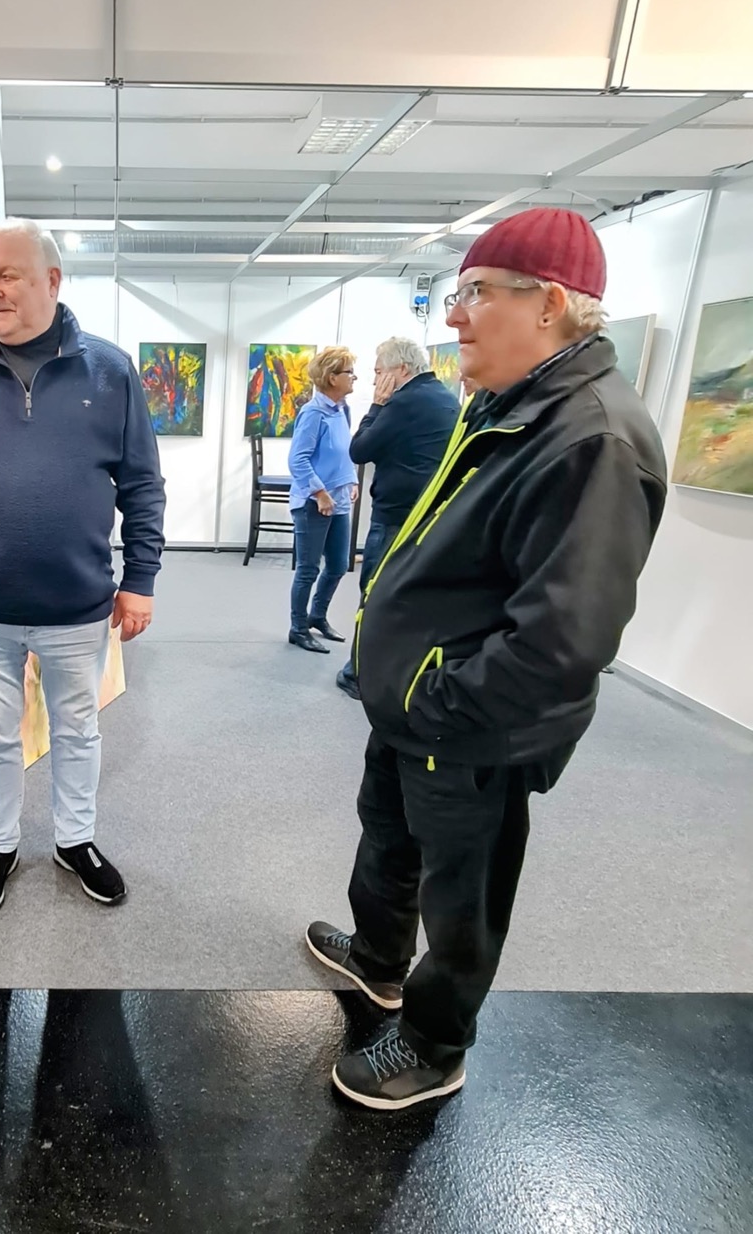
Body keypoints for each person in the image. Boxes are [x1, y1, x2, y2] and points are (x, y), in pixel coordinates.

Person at [305, 207, 667, 1109]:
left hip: (469, 724)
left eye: (475, 292)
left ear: (549, 304)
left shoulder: (592, 438)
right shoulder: (511, 405)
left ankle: (435, 1043)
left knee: (462, 893)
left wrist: (439, 698)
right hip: (418, 702)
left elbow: (565, 638)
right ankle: (379, 961)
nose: (454, 314)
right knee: (388, 838)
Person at [0, 218, 166, 922]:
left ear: (52, 280)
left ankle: (75, 841)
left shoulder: (109, 370)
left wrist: (140, 579)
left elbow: (142, 483)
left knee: (77, 731)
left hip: (78, 604)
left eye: (8, 275)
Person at [335, 338, 459, 699]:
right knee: (410, 598)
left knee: (374, 595)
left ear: (400, 370)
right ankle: (400, 672)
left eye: (378, 372)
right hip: (431, 515)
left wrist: (376, 406)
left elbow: (360, 449)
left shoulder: (402, 402)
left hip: (395, 515)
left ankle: (359, 674)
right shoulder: (445, 397)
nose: (375, 381)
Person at [286, 346, 358, 653]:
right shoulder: (313, 413)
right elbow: (297, 459)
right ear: (331, 377)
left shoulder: (342, 409)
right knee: (308, 569)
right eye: (349, 372)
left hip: (339, 499)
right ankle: (298, 628)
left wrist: (352, 478)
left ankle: (317, 615)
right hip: (313, 503)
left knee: (339, 565)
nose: (354, 377)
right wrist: (320, 493)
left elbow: (343, 450)